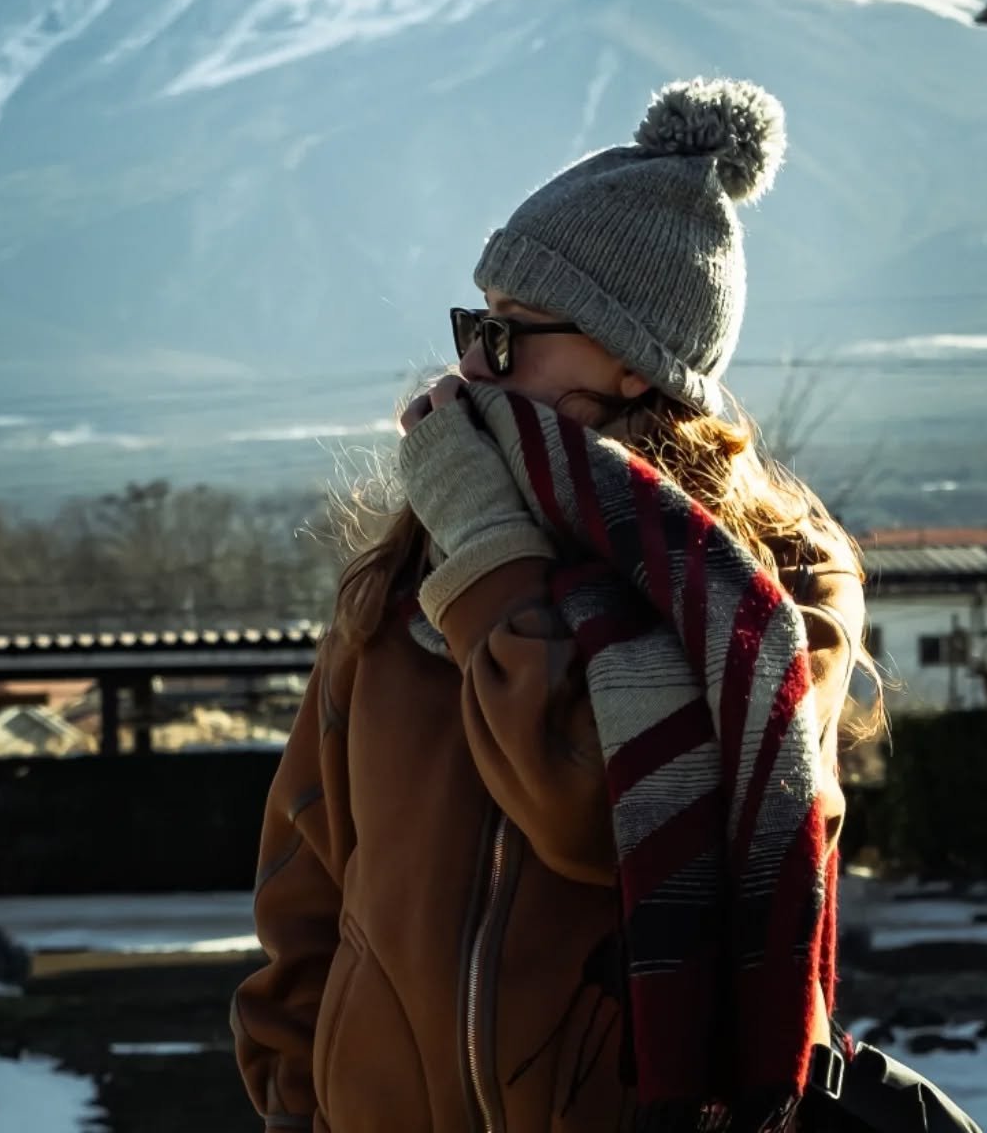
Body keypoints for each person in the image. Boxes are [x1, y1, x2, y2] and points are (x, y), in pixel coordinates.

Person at [233, 77, 875, 1133]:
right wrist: (296, 1102)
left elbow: (584, 806)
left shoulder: (776, 593)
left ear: (631, 362)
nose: (470, 366)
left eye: (510, 332)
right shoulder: (406, 573)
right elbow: (303, 890)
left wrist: (491, 558)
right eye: (471, 326)